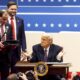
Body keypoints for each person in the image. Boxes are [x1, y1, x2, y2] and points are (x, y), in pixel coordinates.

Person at [6, 1, 27, 73]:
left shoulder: (20, 20)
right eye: (12, 9)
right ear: (7, 9)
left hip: (16, 50)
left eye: (15, 9)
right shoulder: (3, 19)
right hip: (5, 50)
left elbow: (22, 36)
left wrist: (24, 49)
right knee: (4, 70)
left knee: (15, 70)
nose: (14, 11)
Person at [0, 10, 12, 80]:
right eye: (4, 19)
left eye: (6, 19)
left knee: (5, 75)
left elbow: (10, 38)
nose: (5, 21)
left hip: (5, 55)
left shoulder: (8, 26)